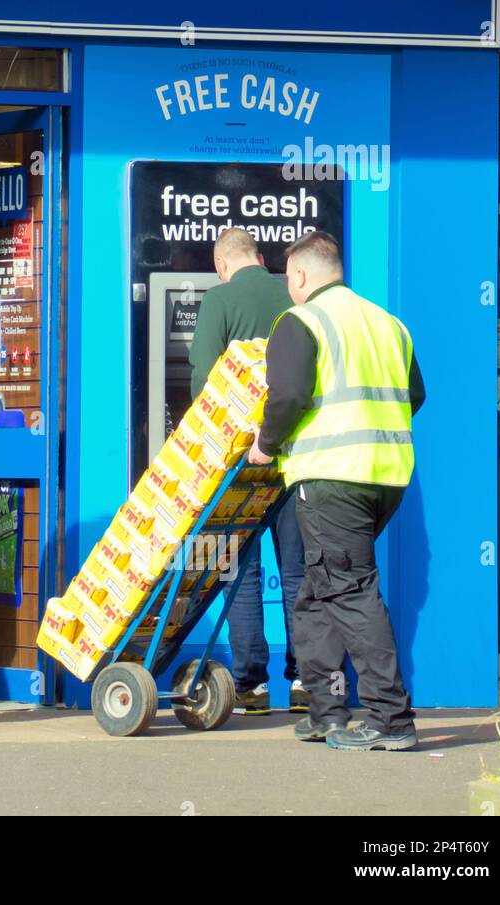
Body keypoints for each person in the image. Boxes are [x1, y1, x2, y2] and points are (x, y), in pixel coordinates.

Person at [248, 230, 425, 751]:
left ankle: (391, 720)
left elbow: (290, 397)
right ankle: (326, 712)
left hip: (330, 476)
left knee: (348, 589)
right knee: (315, 592)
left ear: (299, 276)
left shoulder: (301, 322)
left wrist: (265, 443)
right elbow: (416, 393)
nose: (289, 290)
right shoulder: (388, 324)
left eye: (289, 280)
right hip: (385, 476)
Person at [189, 227, 307, 717]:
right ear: (261, 258)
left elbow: (203, 379)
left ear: (222, 265)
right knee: (300, 572)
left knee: (243, 572)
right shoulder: (294, 293)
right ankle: (306, 680)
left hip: (239, 462)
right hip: (293, 455)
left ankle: (251, 686)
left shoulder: (218, 300)